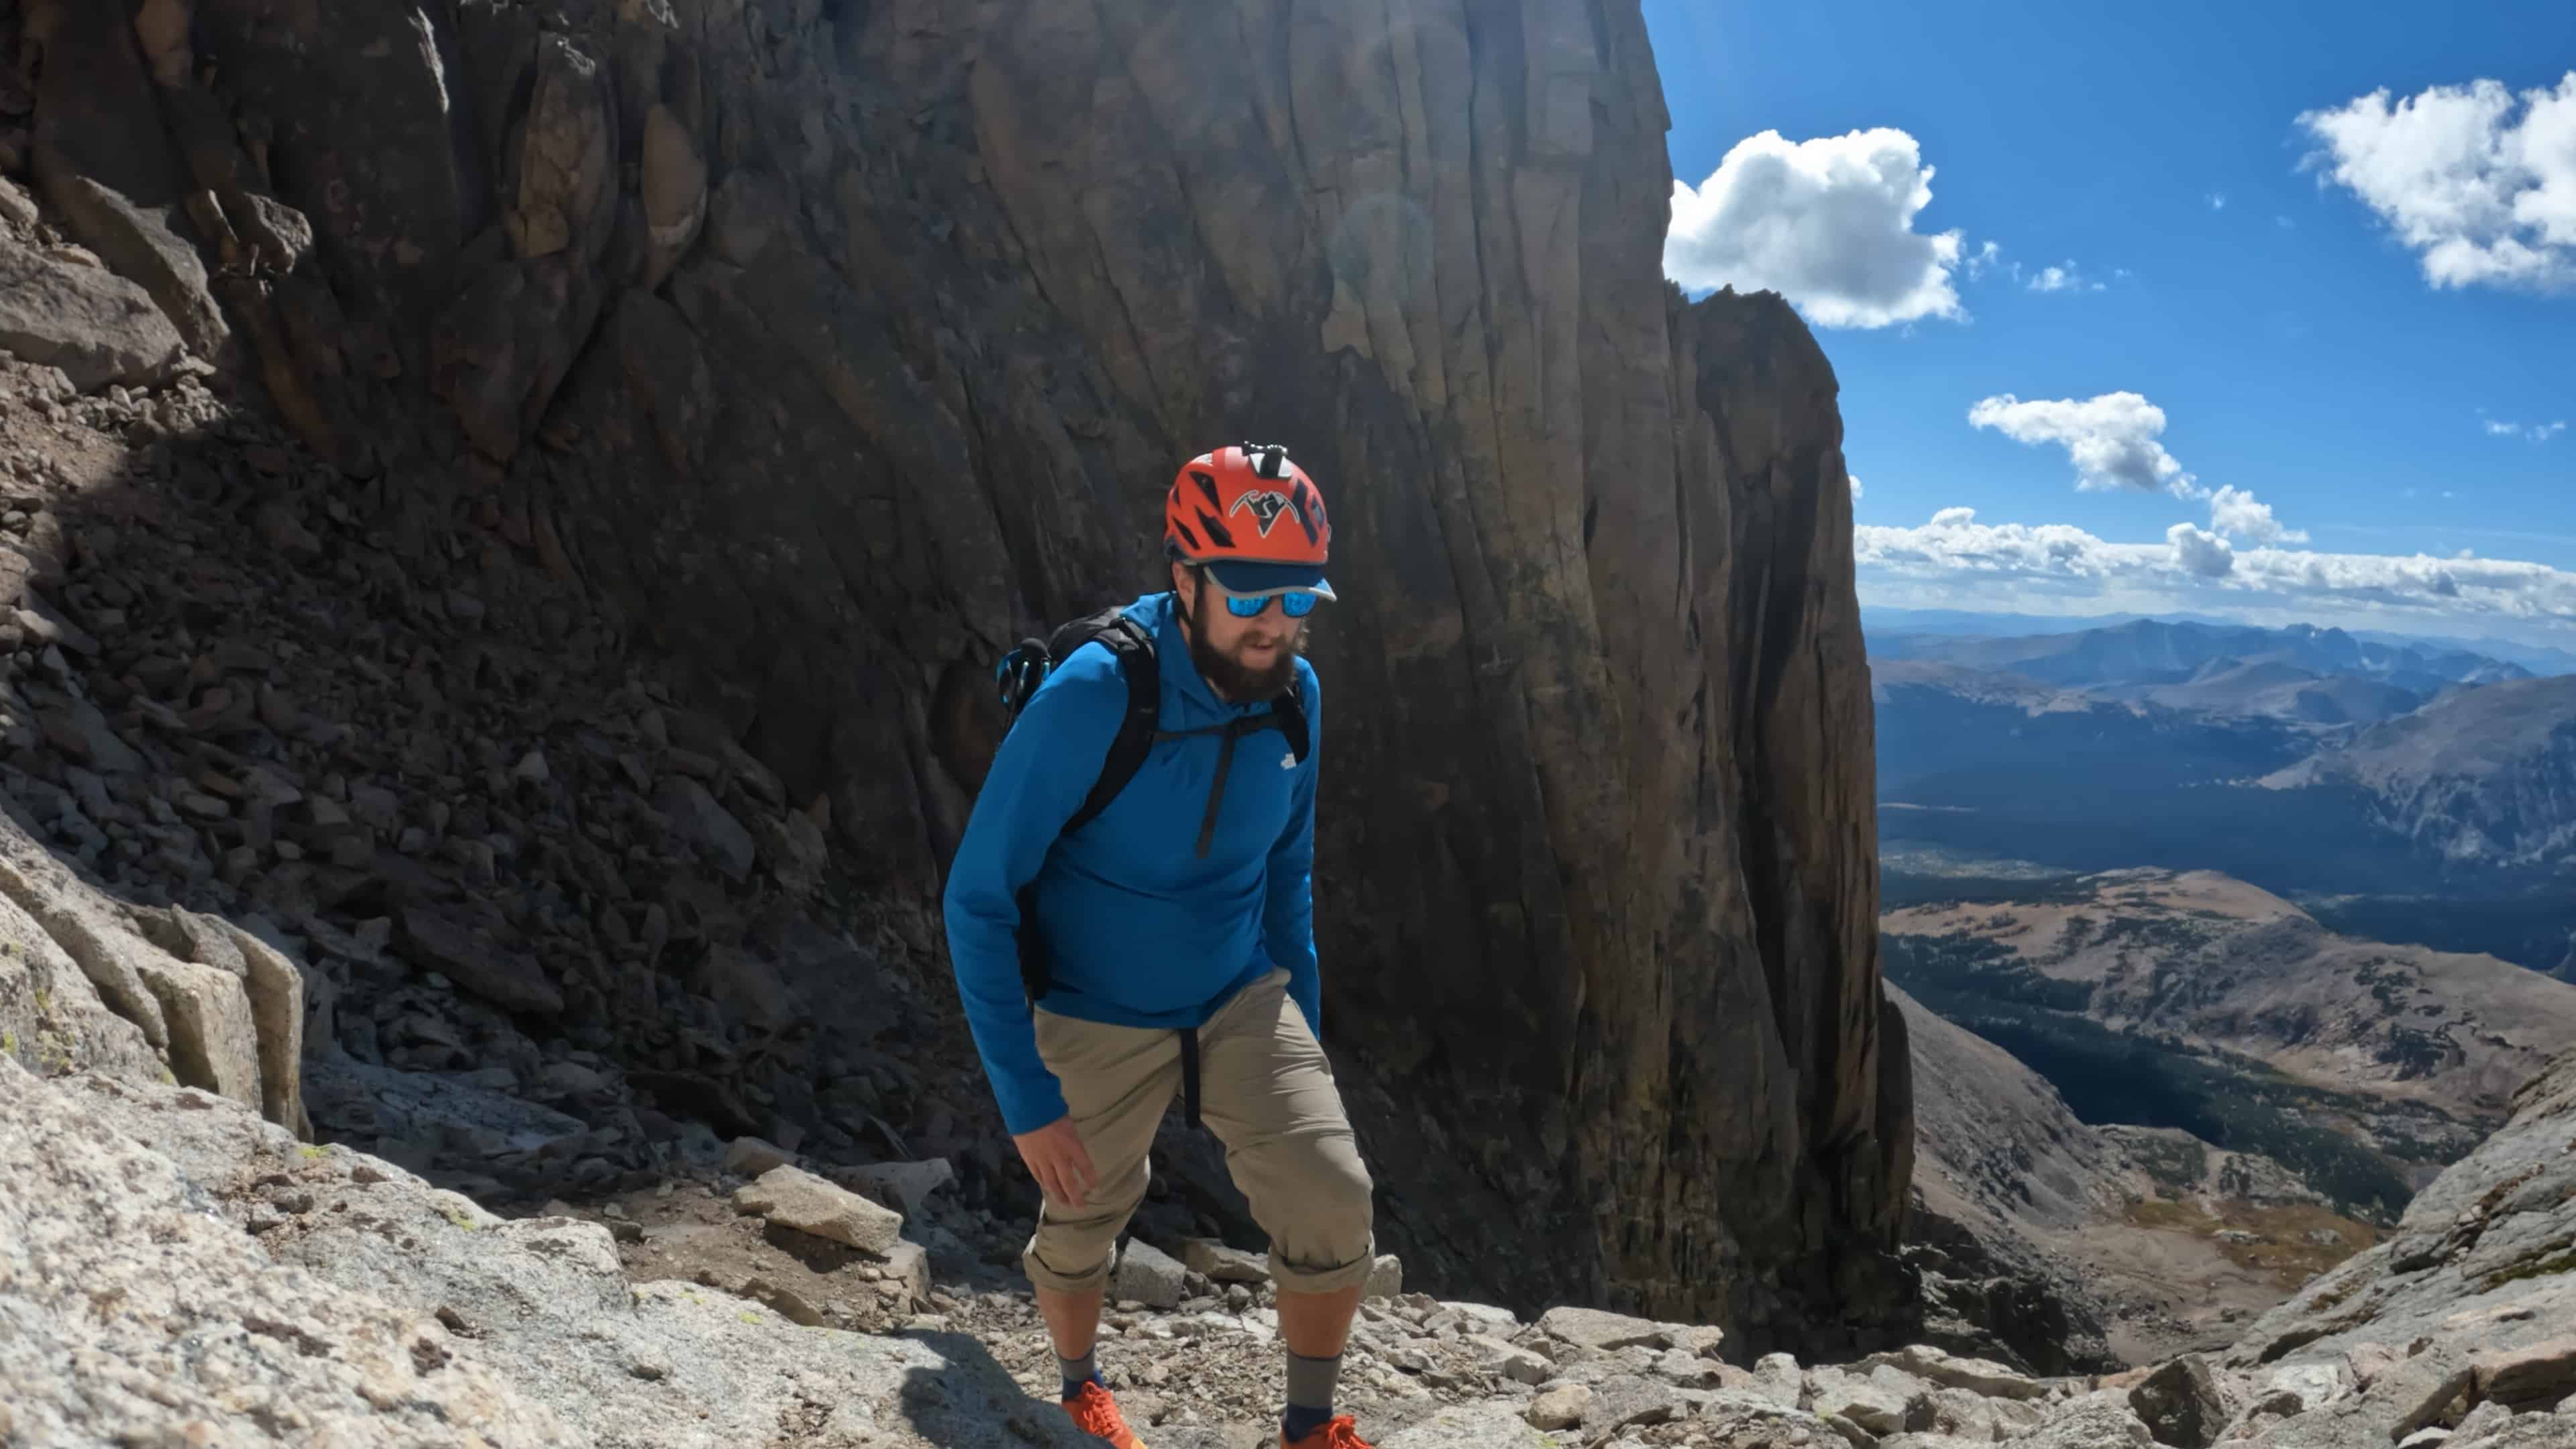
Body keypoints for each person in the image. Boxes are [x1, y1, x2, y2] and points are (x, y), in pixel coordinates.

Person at [943, 443, 1380, 1449]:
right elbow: (978, 899)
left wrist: (1300, 1039)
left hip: (1236, 989)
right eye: (1251, 595)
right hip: (1097, 1001)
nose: (1277, 625)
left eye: (1297, 599)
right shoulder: (1096, 695)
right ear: (1185, 578)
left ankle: (1308, 1428)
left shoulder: (1294, 695)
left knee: (1332, 1194)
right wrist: (1028, 1101)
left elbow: (1287, 877)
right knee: (1085, 1216)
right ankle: (1079, 1384)